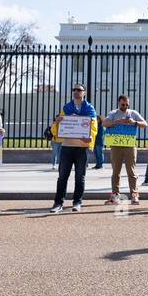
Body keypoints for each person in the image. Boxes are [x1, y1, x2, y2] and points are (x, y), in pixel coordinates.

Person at [49, 84, 98, 214]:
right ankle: (58, 203)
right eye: (74, 90)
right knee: (62, 177)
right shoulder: (66, 108)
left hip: (82, 149)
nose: (76, 92)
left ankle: (77, 202)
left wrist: (90, 141)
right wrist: (57, 122)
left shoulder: (90, 109)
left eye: (79, 90)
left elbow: (93, 128)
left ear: (84, 93)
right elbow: (55, 129)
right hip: (67, 147)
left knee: (80, 177)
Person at [102, 94, 148, 205]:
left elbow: (145, 124)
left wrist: (134, 122)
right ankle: (115, 196)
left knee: (131, 171)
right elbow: (104, 123)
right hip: (116, 145)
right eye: (123, 104)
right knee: (116, 172)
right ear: (119, 103)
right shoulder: (113, 113)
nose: (125, 106)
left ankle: (134, 195)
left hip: (130, 145)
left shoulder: (133, 113)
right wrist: (117, 121)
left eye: (127, 104)